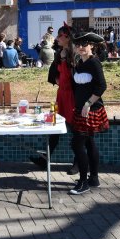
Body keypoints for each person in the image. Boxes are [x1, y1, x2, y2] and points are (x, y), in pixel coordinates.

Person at [31, 23, 77, 172]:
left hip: (73, 96)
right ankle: (45, 159)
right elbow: (53, 73)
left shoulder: (75, 54)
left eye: (60, 36)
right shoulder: (59, 53)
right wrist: (59, 81)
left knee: (75, 129)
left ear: (67, 38)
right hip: (62, 95)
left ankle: (78, 163)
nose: (57, 38)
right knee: (55, 126)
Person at [69, 32, 109, 195]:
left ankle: (83, 182)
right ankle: (94, 178)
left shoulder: (94, 63)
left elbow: (101, 86)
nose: (80, 47)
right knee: (89, 142)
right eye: (77, 44)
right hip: (80, 110)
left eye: (84, 44)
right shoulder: (80, 63)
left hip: (90, 110)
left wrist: (87, 103)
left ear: (91, 45)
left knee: (77, 144)